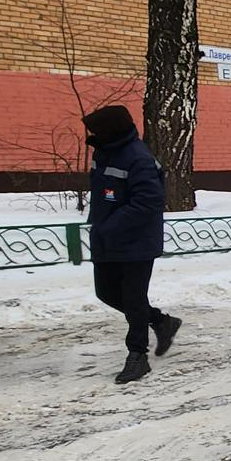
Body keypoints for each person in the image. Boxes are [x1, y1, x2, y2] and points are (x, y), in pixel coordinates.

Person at [82, 104, 178, 384]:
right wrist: (101, 228)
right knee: (107, 293)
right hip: (107, 238)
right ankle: (161, 322)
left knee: (134, 299)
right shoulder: (104, 152)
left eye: (98, 130)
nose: (93, 135)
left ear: (111, 130)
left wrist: (110, 226)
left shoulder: (138, 158)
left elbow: (149, 201)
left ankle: (138, 356)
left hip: (136, 241)